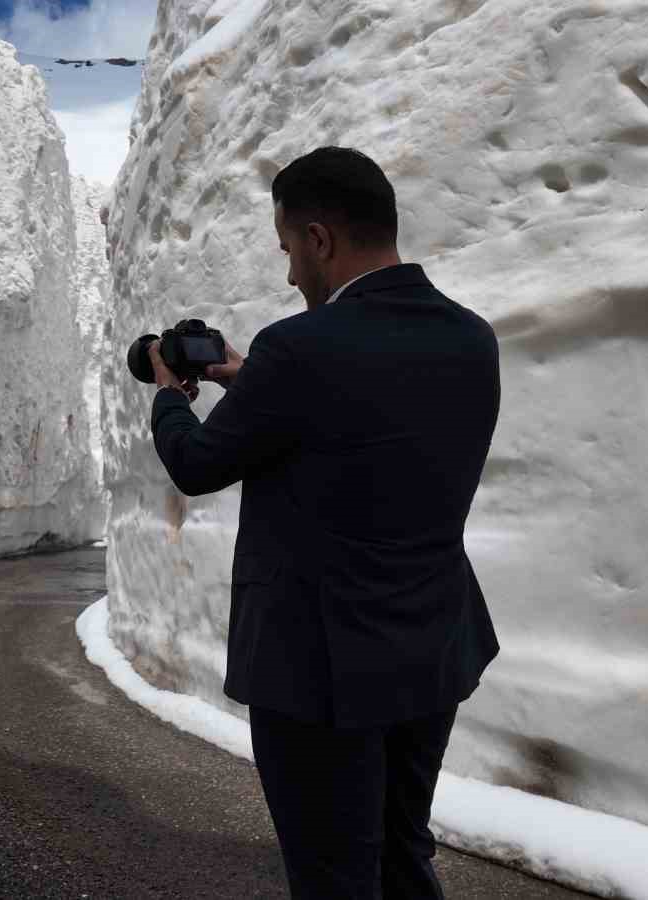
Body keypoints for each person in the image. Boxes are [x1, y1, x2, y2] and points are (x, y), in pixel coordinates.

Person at [146, 147, 500, 898]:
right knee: (402, 853)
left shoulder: (297, 350)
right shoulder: (473, 338)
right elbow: (371, 425)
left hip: (320, 667)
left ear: (318, 239)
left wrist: (171, 392)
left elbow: (198, 464)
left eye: (287, 251)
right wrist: (260, 382)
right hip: (432, 648)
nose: (288, 275)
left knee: (333, 875)